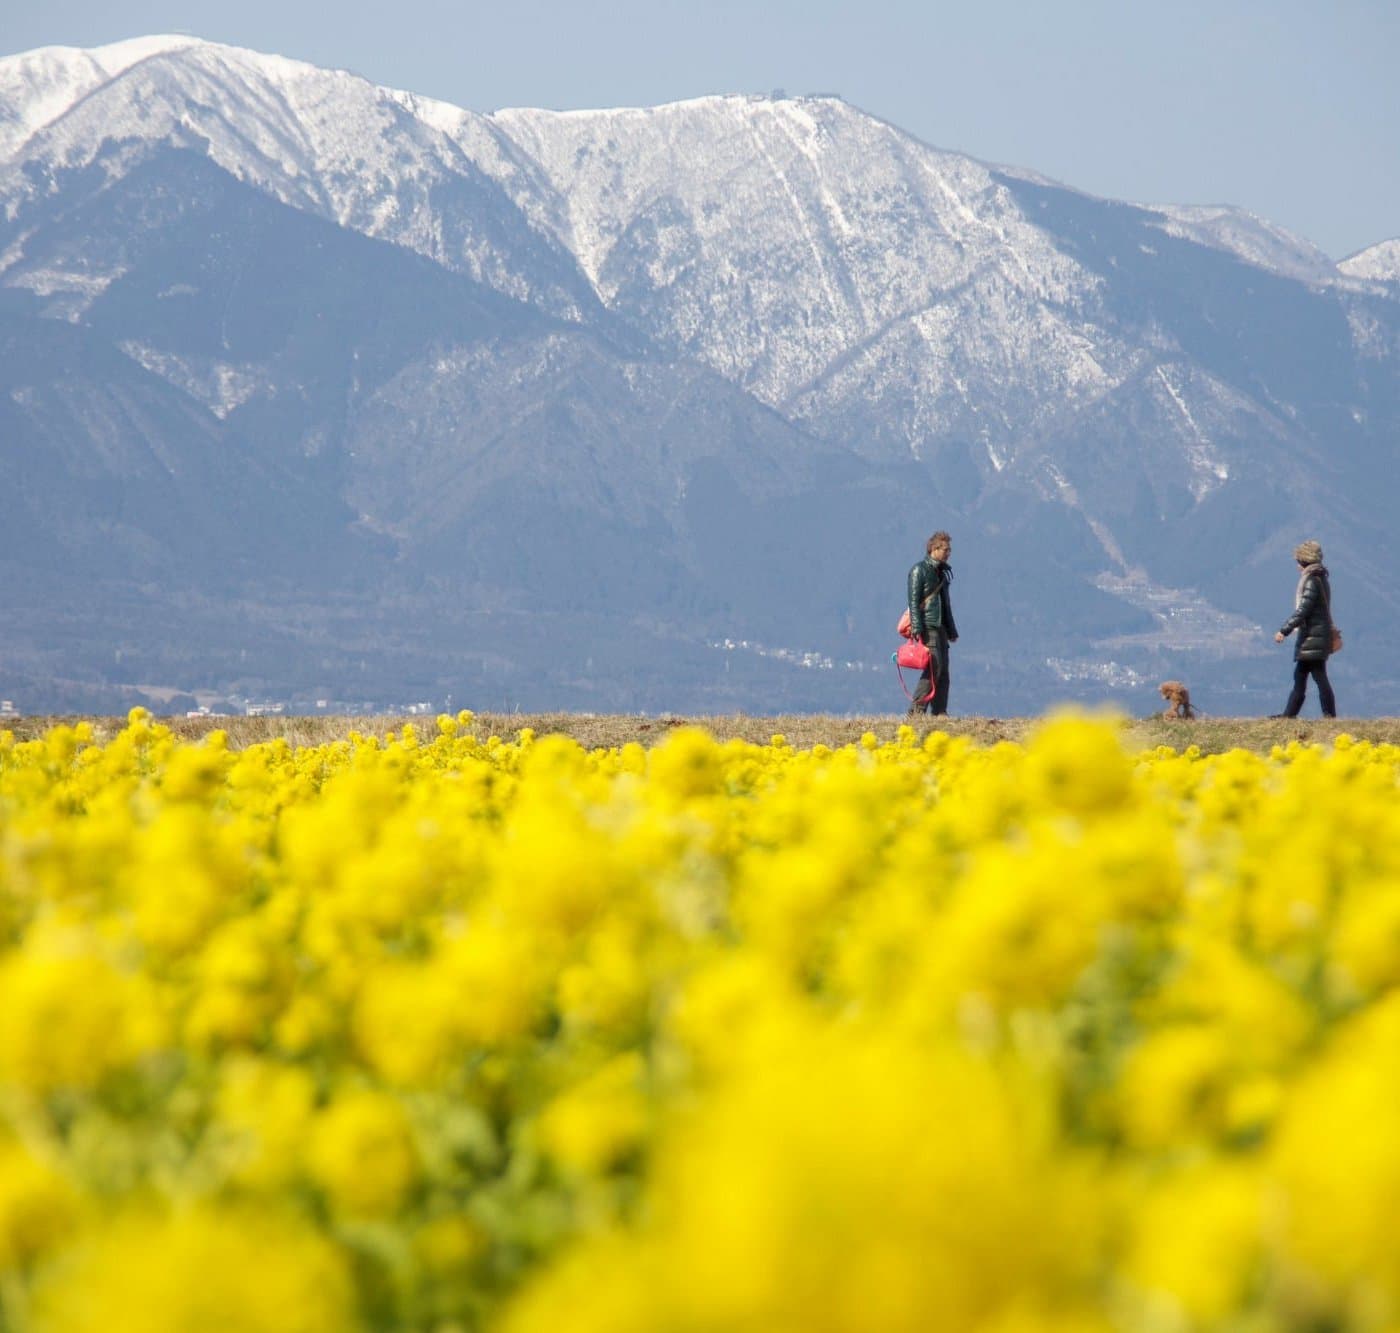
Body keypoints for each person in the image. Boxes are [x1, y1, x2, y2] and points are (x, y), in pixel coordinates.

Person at [1272, 539, 1337, 718]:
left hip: (1312, 638)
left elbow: (1303, 611)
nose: (1297, 566)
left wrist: (1283, 630)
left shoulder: (1311, 581)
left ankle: (1323, 715)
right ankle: (1292, 715)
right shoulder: (1322, 578)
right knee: (1306, 677)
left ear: (1304, 561)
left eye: (1298, 561)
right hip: (1316, 637)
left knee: (1312, 678)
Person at [906, 531, 958, 717]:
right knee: (933, 668)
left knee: (943, 670)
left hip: (941, 627)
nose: (948, 553)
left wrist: (952, 630)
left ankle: (939, 711)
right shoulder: (919, 570)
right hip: (928, 626)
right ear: (934, 549)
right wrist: (917, 628)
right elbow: (913, 601)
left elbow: (946, 605)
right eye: (946, 549)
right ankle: (917, 710)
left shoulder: (942, 572)